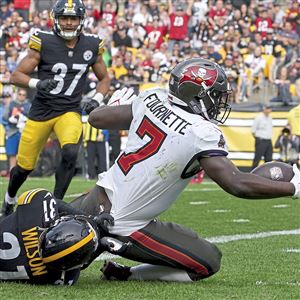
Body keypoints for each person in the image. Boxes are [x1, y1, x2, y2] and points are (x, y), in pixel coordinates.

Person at [71, 58, 300, 283]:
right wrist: (292, 187)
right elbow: (236, 183)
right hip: (126, 223)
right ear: (198, 95)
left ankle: (94, 239)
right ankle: (124, 267)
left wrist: (112, 104)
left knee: (45, 231)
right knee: (209, 261)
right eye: (216, 96)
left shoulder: (153, 97)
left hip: (96, 198)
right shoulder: (201, 132)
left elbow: (96, 118)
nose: (219, 102)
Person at [0, 0, 110, 219]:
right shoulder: (44, 42)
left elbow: (104, 78)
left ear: (81, 20)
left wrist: (97, 98)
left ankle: (56, 203)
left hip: (69, 111)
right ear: (56, 19)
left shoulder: (91, 45)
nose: (69, 23)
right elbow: (16, 76)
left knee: (70, 151)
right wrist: (37, 84)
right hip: (41, 113)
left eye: (73, 18)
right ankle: (9, 199)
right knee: (24, 168)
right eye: (64, 18)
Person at [0, 188, 114, 285]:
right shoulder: (55, 278)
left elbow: (55, 203)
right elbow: (76, 262)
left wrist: (88, 218)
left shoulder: (36, 208)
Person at [3, 88, 31, 171]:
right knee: (12, 154)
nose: (21, 96)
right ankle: (12, 171)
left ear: (26, 96)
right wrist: (13, 118)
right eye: (20, 94)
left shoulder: (29, 105)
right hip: (13, 131)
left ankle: (22, 172)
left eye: (23, 95)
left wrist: (24, 119)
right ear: (17, 94)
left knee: (24, 154)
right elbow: (4, 116)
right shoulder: (11, 104)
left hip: (25, 132)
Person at [251, 105, 273, 170]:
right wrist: (259, 139)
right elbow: (253, 131)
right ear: (264, 109)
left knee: (269, 159)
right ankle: (252, 173)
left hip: (268, 140)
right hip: (261, 140)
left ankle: (268, 174)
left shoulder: (270, 117)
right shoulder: (259, 118)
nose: (269, 110)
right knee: (257, 158)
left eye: (270, 108)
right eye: (268, 108)